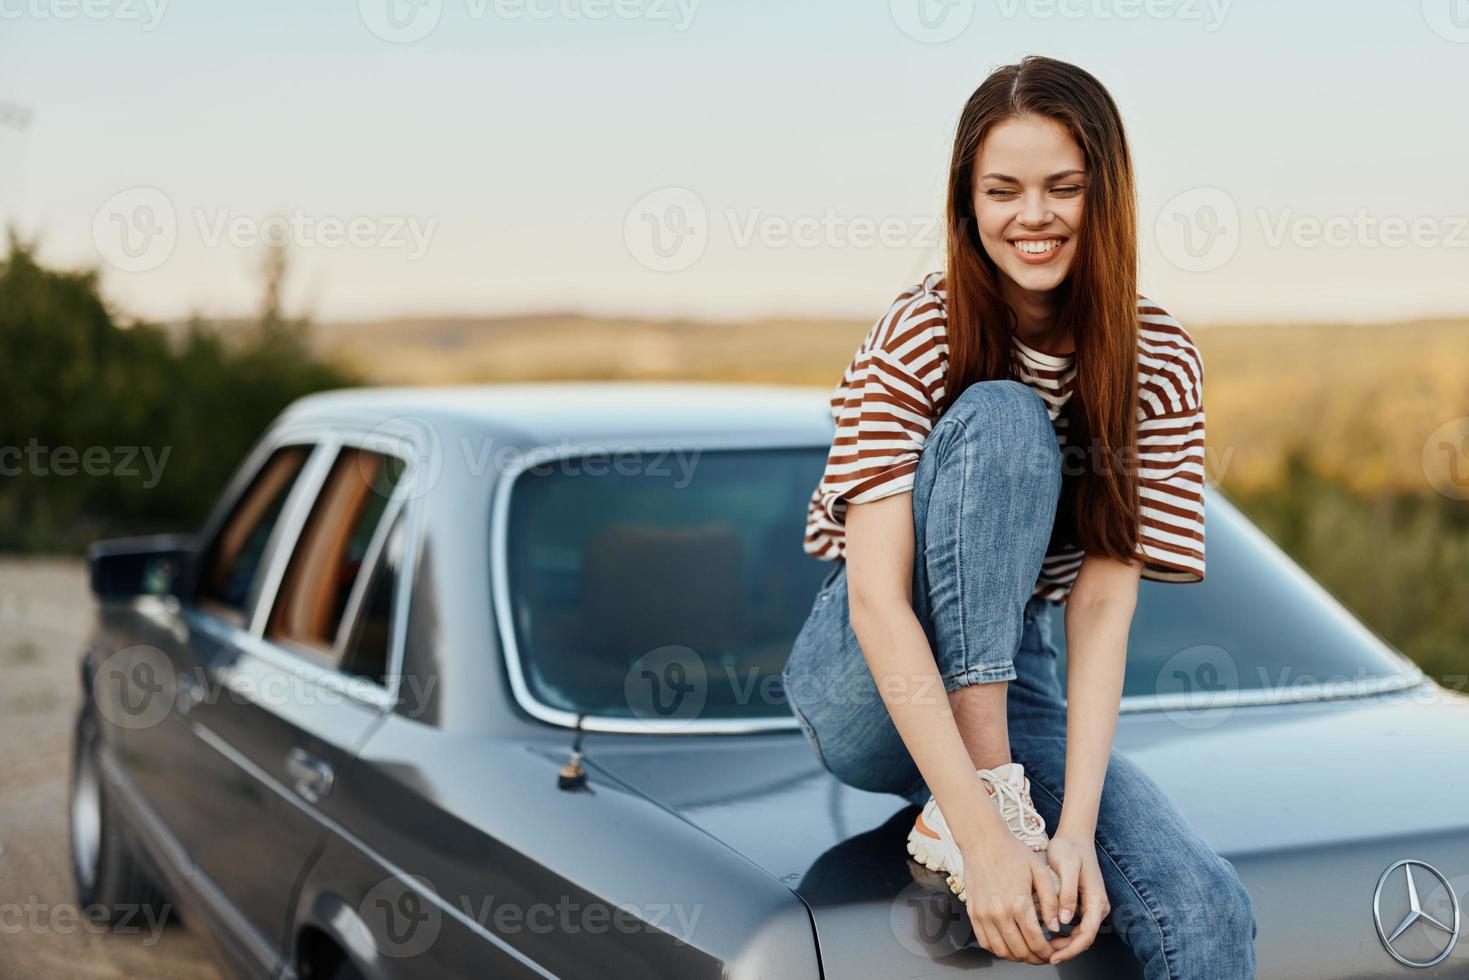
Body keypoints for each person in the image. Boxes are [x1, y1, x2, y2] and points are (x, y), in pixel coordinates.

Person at [781, 55, 1258, 976]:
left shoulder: (1155, 360)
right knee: (1004, 417)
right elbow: (878, 602)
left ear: (1104, 194)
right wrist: (986, 834)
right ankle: (986, 789)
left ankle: (997, 789)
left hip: (1019, 666)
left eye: (1061, 188)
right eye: (1001, 190)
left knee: (1202, 908)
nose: (1029, 216)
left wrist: (1072, 831)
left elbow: (1102, 605)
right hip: (864, 672)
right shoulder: (920, 328)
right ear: (966, 203)